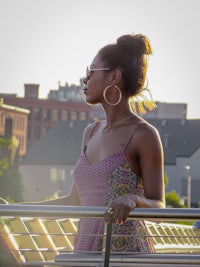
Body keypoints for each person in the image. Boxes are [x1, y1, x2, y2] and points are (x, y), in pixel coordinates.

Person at [0, 33, 165, 253]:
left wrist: (133, 199)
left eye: (91, 71)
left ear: (114, 76)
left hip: (125, 255)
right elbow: (73, 201)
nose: (84, 79)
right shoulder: (90, 132)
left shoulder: (143, 134)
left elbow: (159, 208)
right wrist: (11, 209)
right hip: (86, 251)